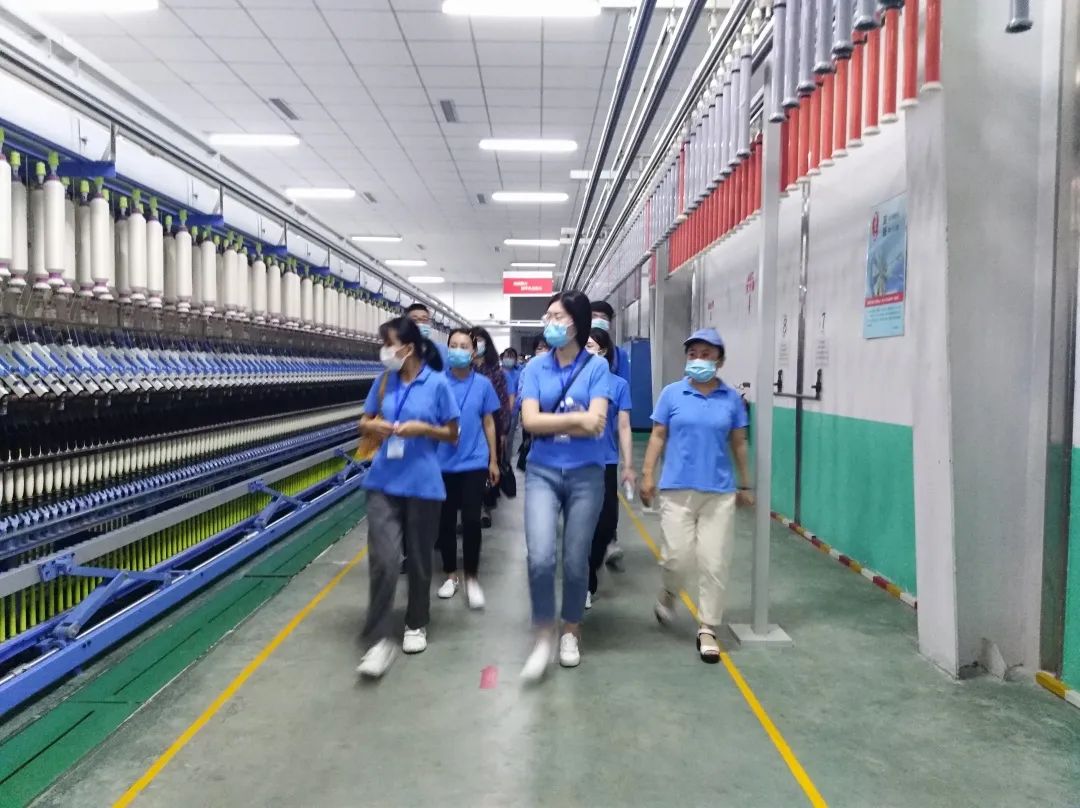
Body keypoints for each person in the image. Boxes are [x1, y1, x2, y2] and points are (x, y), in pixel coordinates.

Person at [639, 328, 753, 664]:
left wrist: (746, 484)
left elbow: (739, 443)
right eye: (693, 354)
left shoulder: (731, 400)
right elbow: (658, 436)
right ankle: (669, 591)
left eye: (706, 354)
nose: (698, 360)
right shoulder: (672, 394)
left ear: (719, 360)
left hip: (719, 493)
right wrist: (648, 474)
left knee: (714, 561)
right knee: (677, 557)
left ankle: (707, 627)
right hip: (676, 490)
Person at [356, 316, 460, 679]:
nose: (384, 351)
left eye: (389, 344)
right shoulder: (384, 381)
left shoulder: (438, 384)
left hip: (422, 484)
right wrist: (373, 425)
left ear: (409, 348)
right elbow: (364, 420)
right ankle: (378, 638)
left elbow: (452, 433)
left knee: (418, 559)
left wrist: (424, 429)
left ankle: (416, 622)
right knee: (384, 561)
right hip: (383, 482)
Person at [518, 291, 609, 681]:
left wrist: (554, 421)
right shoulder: (535, 368)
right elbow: (530, 422)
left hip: (586, 474)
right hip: (542, 471)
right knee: (540, 556)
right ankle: (543, 632)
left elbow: (598, 423)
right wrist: (576, 420)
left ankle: (570, 629)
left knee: (575, 559)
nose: (550, 323)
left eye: (557, 316)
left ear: (576, 322)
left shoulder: (597, 368)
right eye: (548, 316)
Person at [437, 329, 501, 609]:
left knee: (472, 521)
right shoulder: (438, 383)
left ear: (473, 352)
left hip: (474, 460)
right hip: (443, 462)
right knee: (446, 521)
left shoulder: (483, 385)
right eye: (454, 345)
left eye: (464, 346)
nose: (459, 350)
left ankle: (472, 577)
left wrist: (493, 460)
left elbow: (489, 422)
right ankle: (451, 575)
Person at [584, 328, 635, 609]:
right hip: (576, 461)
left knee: (605, 524)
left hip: (606, 461)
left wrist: (629, 465)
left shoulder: (618, 385)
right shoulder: (573, 382)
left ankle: (593, 563)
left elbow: (624, 426)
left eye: (591, 346)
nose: (586, 351)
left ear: (603, 351)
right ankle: (585, 582)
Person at [470, 326, 510, 527]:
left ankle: (485, 506)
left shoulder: (495, 372)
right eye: (473, 340)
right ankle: (470, 508)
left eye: (480, 340)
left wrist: (503, 432)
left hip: (490, 425)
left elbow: (503, 404)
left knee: (488, 465)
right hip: (469, 426)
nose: (477, 344)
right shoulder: (463, 370)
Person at [590, 300, 631, 386]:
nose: (599, 320)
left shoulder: (619, 355)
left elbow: (623, 385)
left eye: (604, 317)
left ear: (610, 324)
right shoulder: (576, 350)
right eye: (594, 316)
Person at [406, 303, 448, 367]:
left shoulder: (442, 350)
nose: (420, 324)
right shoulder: (401, 351)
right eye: (414, 320)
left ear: (429, 323)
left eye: (424, 320)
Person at [501, 348, 521, 455]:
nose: (508, 359)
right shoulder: (497, 372)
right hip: (497, 410)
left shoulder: (518, 374)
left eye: (511, 357)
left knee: (508, 439)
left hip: (512, 411)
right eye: (506, 356)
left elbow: (520, 392)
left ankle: (506, 460)